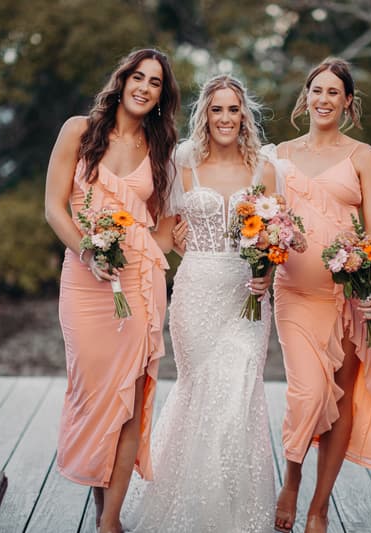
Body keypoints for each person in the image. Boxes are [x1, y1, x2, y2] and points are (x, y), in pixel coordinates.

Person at [120, 74, 278, 533]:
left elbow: (279, 238)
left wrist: (266, 271)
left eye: (233, 109)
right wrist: (128, 244)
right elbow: (165, 236)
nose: (225, 118)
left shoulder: (263, 170)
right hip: (197, 294)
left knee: (239, 395)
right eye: (217, 109)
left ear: (244, 115)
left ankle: (234, 517)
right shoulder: (182, 164)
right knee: (201, 394)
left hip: (248, 299)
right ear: (204, 115)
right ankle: (191, 515)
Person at [44, 48, 180, 533]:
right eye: (138, 77)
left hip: (140, 284)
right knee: (95, 394)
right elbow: (55, 208)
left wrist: (156, 249)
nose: (144, 87)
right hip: (85, 283)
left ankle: (110, 521)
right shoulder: (78, 131)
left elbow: (164, 230)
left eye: (156, 82)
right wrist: (89, 251)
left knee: (130, 399)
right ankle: (103, 509)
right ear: (122, 81)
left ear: (163, 95)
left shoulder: (161, 149)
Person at [272, 58, 371, 533]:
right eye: (316, 90)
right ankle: (291, 478)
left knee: (342, 397)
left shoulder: (362, 155)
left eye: (334, 92)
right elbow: (267, 222)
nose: (323, 99)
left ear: (348, 101)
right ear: (305, 96)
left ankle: (319, 506)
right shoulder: (280, 154)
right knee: (307, 393)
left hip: (349, 293)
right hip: (296, 293)